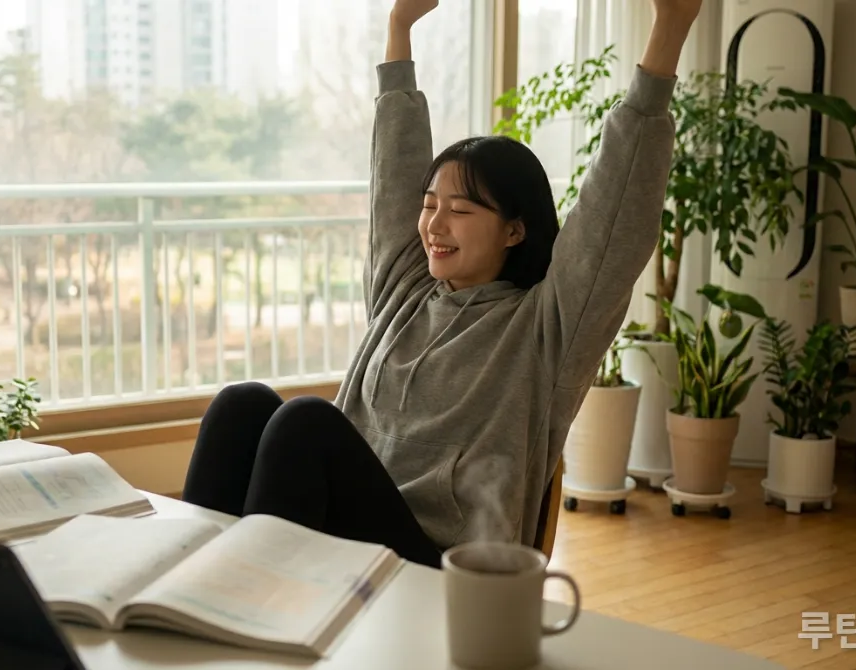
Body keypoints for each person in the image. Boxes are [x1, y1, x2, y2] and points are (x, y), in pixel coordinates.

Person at [182, 0, 702, 569]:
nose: (435, 223)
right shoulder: (403, 290)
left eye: (460, 210)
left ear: (514, 230)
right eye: (430, 206)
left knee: (304, 423)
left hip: (439, 562)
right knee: (242, 404)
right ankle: (189, 585)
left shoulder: (546, 327)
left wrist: (669, 32)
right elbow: (394, 168)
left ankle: (242, 601)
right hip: (347, 534)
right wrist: (398, 29)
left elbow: (614, 215)